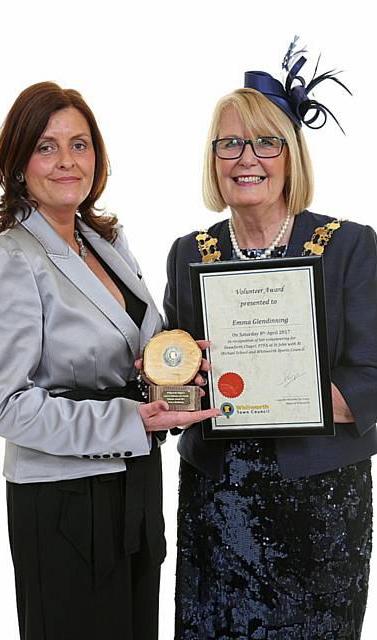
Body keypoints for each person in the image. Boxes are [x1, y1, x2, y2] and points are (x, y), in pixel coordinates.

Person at [0, 81, 219, 640]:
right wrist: (130, 419)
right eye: (46, 146)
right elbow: (9, 408)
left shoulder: (106, 240)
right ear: (18, 164)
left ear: (97, 157)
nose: (66, 161)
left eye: (79, 145)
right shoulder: (10, 259)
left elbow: (140, 350)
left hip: (133, 484)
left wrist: (174, 370)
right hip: (62, 503)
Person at [164, 42, 377, 639]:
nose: (246, 158)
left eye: (265, 142)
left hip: (320, 503)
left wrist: (292, 397)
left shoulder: (349, 245)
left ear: (290, 155)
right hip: (217, 499)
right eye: (229, 144)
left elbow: (372, 374)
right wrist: (168, 382)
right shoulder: (190, 253)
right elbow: (178, 381)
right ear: (214, 159)